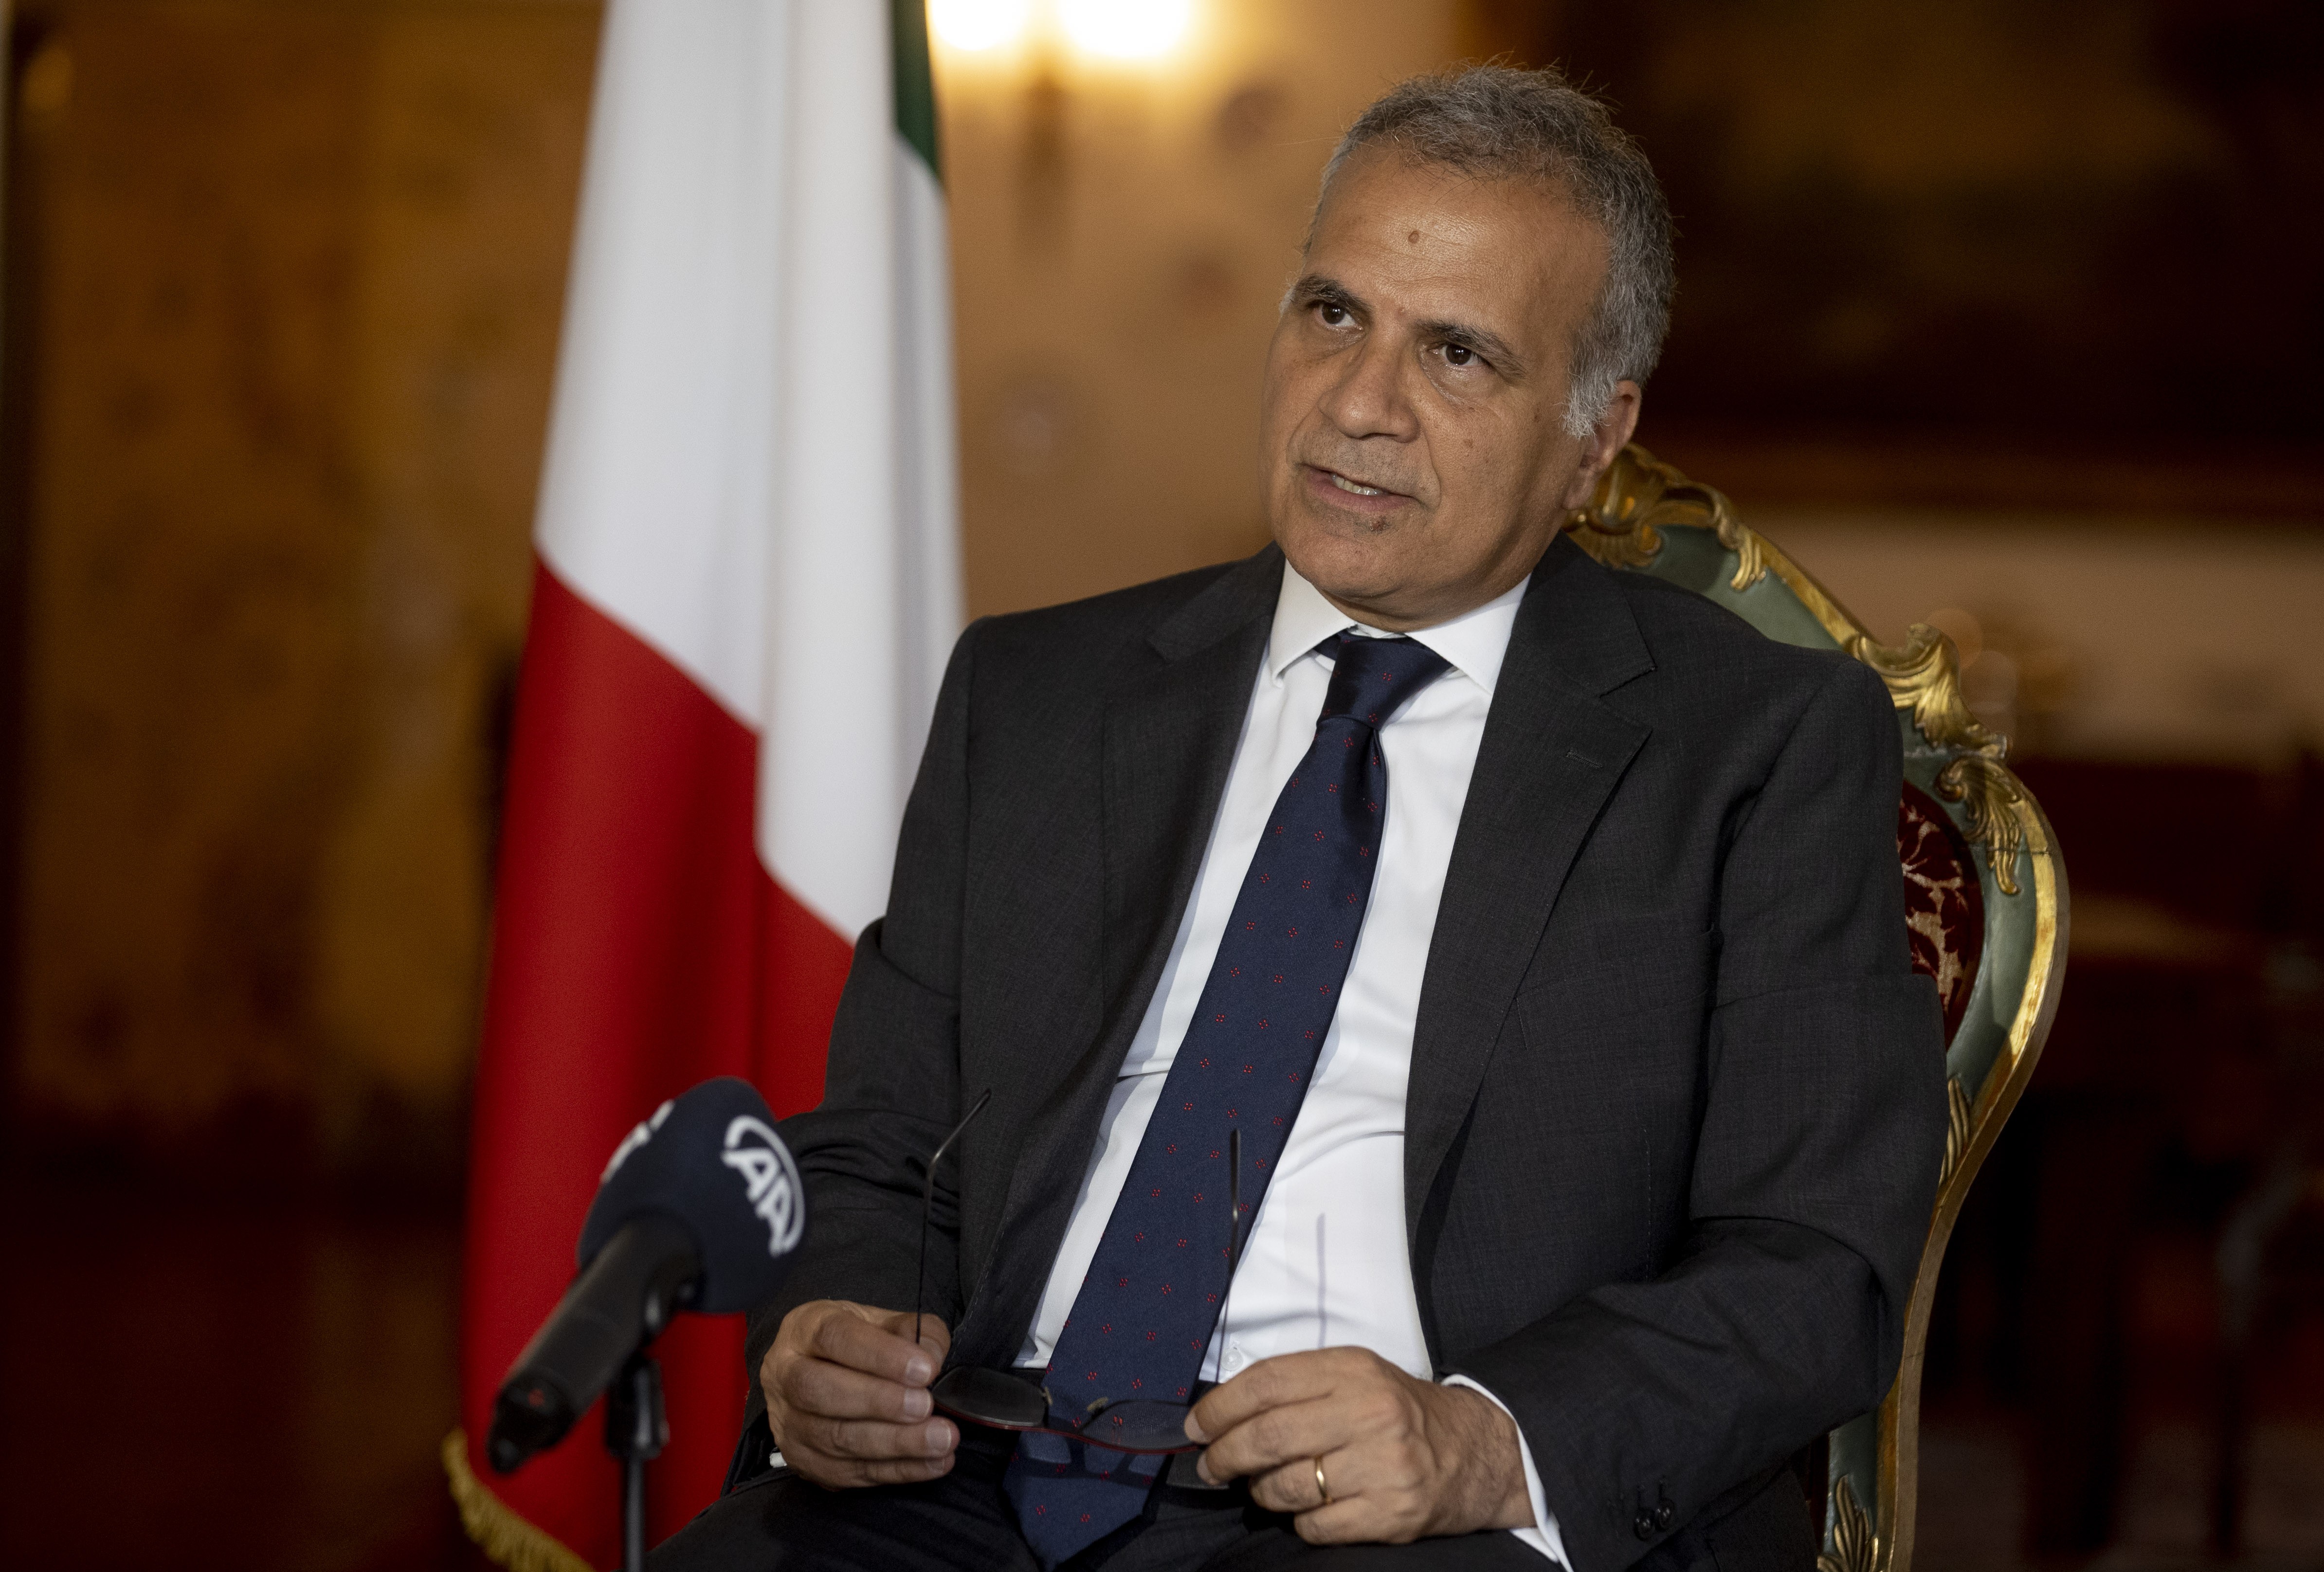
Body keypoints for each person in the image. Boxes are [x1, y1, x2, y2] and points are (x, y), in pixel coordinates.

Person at [651, 64, 1943, 1572]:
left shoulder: (1754, 747)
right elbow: (882, 1143)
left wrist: (1479, 1441)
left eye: (1456, 353)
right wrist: (832, 1326)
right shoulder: (1038, 695)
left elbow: (1813, 1266)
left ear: (1595, 438)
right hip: (969, 1472)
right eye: (1332, 312)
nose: (1359, 404)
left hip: (1410, 1519)